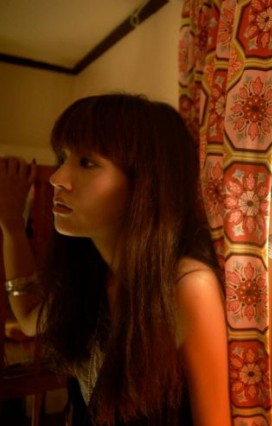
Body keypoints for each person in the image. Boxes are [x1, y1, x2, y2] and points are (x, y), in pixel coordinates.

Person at [0, 94, 232, 425]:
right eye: (63, 157)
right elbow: (28, 318)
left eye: (87, 163)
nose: (57, 178)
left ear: (145, 181)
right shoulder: (96, 273)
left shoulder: (185, 285)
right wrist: (11, 223)